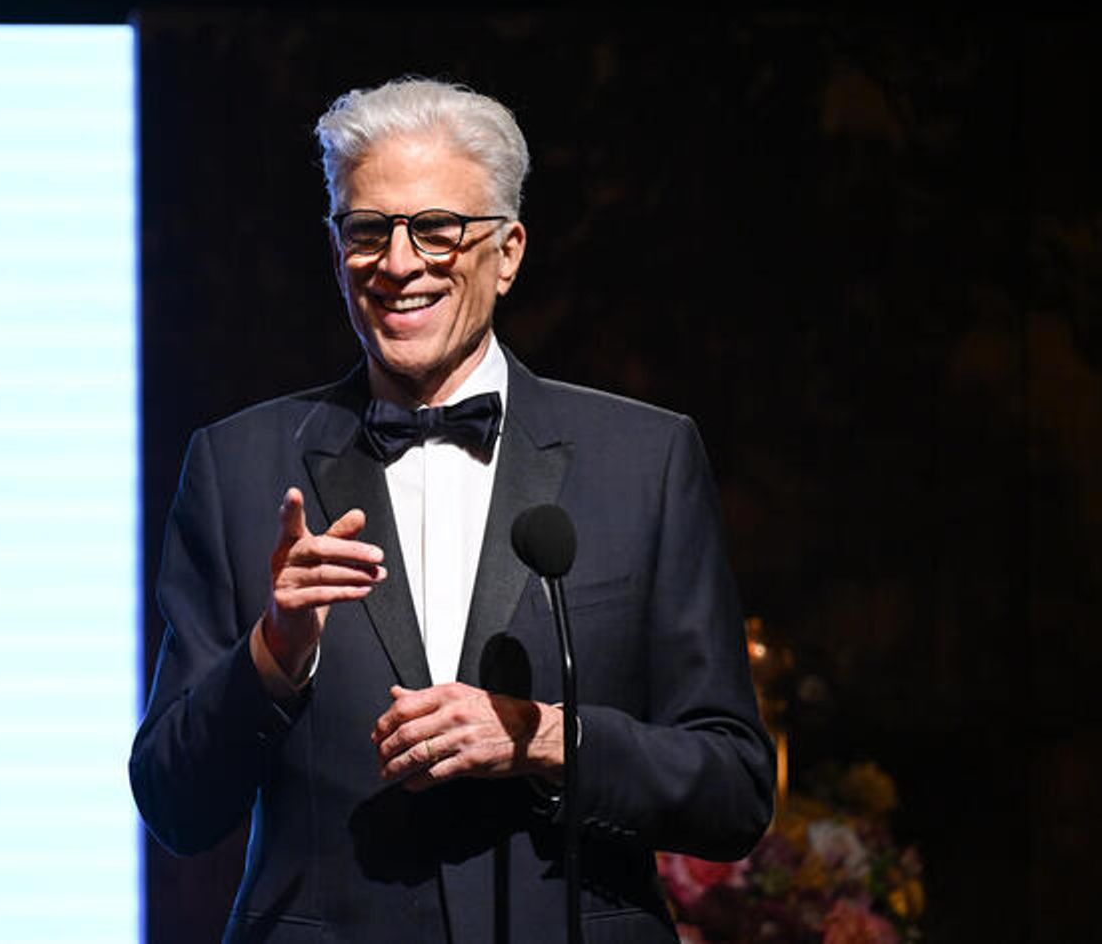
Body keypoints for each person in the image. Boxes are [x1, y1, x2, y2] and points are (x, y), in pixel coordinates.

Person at [129, 76, 774, 943]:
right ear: (336, 250)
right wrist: (273, 657)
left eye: (437, 229)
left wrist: (543, 736)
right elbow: (174, 805)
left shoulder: (645, 461)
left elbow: (734, 791)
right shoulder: (239, 466)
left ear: (507, 253)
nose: (399, 263)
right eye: (369, 230)